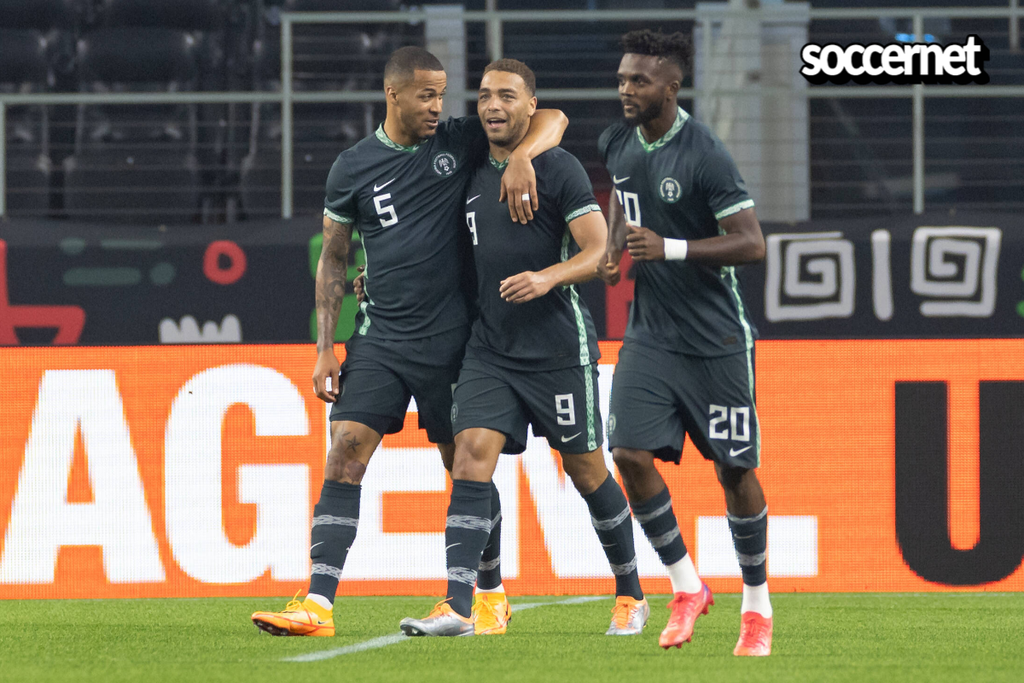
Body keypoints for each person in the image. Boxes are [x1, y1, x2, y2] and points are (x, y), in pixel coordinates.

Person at [250, 46, 568, 638]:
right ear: (393, 94)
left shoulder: (458, 141)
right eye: (426, 96)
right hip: (381, 339)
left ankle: (490, 592)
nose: (437, 106)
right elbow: (334, 258)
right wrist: (325, 346)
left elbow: (553, 117)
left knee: (463, 467)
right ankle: (316, 604)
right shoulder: (352, 166)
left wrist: (524, 155)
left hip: (455, 343)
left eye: (442, 95)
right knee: (345, 450)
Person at [398, 58, 647, 639]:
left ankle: (631, 595)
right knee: (469, 456)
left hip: (558, 349)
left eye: (507, 96)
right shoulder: (466, 165)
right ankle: (462, 604)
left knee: (586, 471)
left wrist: (546, 278)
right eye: (485, 95)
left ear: (529, 106)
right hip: (489, 346)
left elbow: (600, 251)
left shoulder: (557, 168)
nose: (493, 105)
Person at [598, 30, 772, 656]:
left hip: (717, 338)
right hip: (651, 334)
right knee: (628, 453)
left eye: (639, 81)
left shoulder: (706, 155)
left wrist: (669, 248)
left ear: (671, 88)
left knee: (735, 469)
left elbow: (752, 243)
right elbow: (624, 198)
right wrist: (613, 249)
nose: (626, 89)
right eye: (622, 78)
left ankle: (757, 606)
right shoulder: (617, 141)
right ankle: (687, 587)